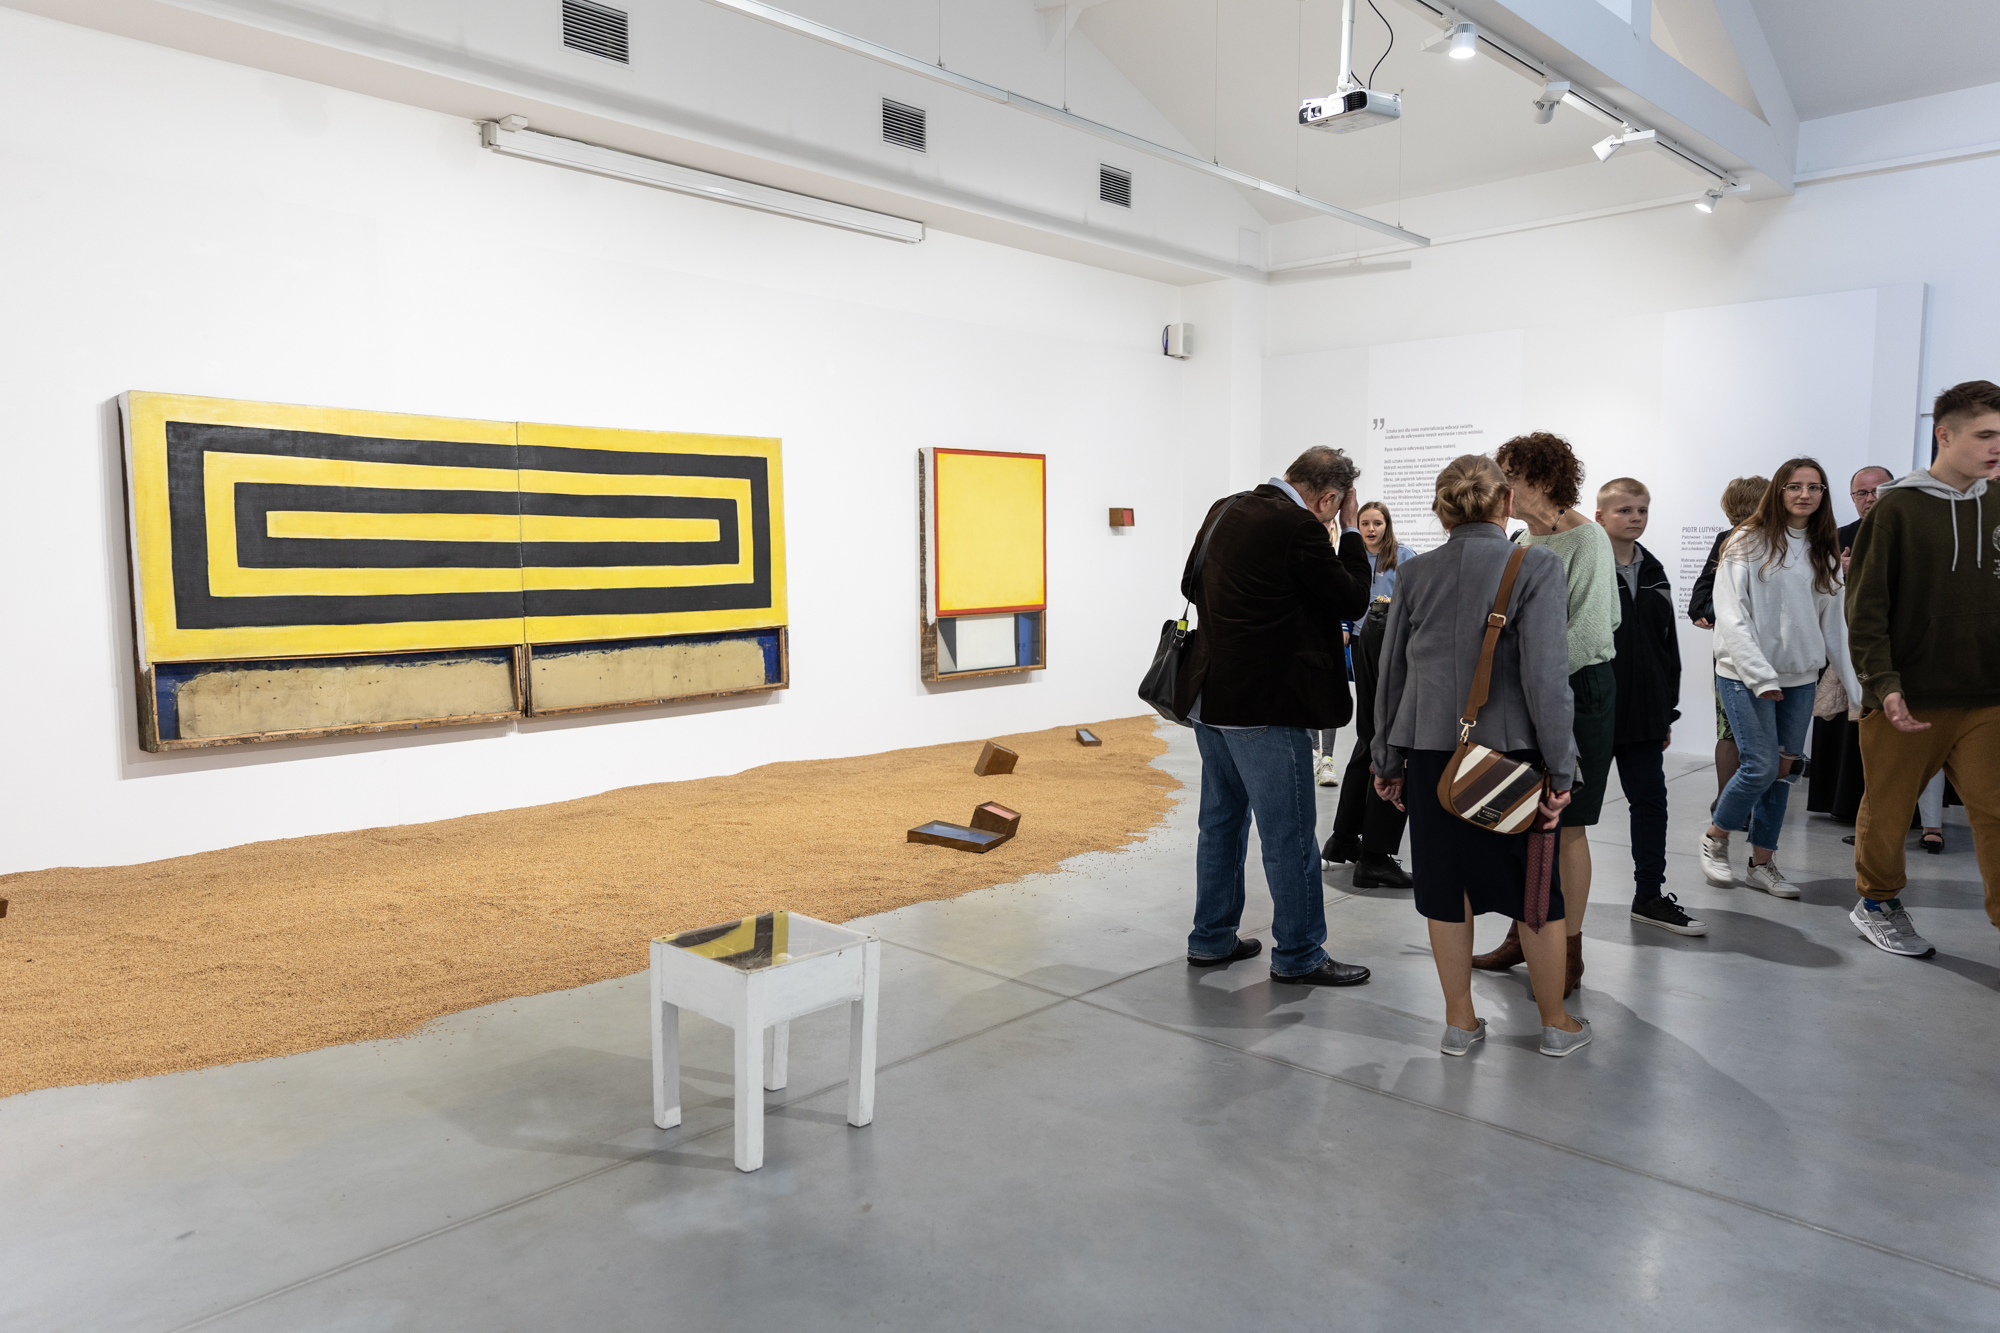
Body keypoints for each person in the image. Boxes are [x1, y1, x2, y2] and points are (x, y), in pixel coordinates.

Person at [1372, 455, 1588, 1057]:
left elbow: (1391, 675)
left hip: (1432, 757)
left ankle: (1460, 1024)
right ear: (1507, 503)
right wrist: (1562, 769)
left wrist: (1386, 759)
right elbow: (1547, 679)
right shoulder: (1535, 565)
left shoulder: (1415, 573)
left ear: (1442, 511)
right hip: (1511, 760)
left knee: (1445, 887)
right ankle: (1555, 1024)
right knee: (1535, 891)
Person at [1174, 446, 1375, 986]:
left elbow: (1191, 585)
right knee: (1289, 832)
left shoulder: (1225, 507)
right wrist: (1350, 533)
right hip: (1266, 704)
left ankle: (1211, 938)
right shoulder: (1298, 527)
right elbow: (1353, 599)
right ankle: (1300, 953)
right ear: (1328, 498)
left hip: (1209, 697)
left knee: (1221, 823)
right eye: (1337, 507)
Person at [1846, 380, 2000, 957]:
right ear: (1945, 435)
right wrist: (1882, 683)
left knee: (1997, 812)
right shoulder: (1896, 509)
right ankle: (1876, 901)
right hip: (1909, 696)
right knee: (1889, 812)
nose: (1996, 447)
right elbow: (1865, 609)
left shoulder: (1998, 500)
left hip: (1987, 693)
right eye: (1985, 435)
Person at [1473, 433, 1617, 997]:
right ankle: (1523, 935)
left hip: (1576, 691)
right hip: (1530, 692)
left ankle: (1568, 953)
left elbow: (1589, 632)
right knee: (1524, 818)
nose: (1501, 486)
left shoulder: (1588, 539)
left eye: (1509, 476)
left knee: (1569, 825)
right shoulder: (1520, 539)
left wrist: (1522, 677)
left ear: (1543, 478)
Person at [1698, 458, 1862, 897]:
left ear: (1823, 495)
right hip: (1743, 675)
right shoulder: (1746, 541)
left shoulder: (1823, 548)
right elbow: (1731, 615)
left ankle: (1762, 863)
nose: (1805, 494)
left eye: (1814, 487)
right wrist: (1759, 675)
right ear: (1779, 491)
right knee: (1760, 766)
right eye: (1795, 486)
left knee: (1784, 773)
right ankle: (1716, 836)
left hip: (1800, 678)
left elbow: (1834, 626)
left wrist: (1856, 689)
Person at [1595, 479, 1702, 935]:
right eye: (1624, 510)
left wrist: (1666, 710)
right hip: (1593, 711)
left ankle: (1649, 894)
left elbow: (1666, 646)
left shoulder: (1654, 569)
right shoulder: (1588, 567)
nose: (1635, 518)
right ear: (1600, 517)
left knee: (1651, 802)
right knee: (1568, 811)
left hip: (1643, 714)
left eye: (1641, 510)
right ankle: (1541, 906)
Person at [1808, 466, 1897, 825]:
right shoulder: (1836, 537)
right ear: (1852, 497)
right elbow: (1813, 591)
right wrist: (1837, 574)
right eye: (1862, 493)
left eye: (1878, 491)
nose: (1869, 498)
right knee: (1843, 726)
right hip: (1841, 645)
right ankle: (1841, 803)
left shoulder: (1907, 532)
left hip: (1891, 647)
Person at [1310, 502, 1415, 786]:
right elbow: (1340, 594)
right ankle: (1361, 759)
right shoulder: (1350, 559)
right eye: (1365, 523)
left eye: (1377, 523)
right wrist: (1344, 626)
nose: (1371, 529)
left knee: (1390, 701)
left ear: (1387, 525)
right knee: (1365, 704)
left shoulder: (1404, 556)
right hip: (1358, 639)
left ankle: (1392, 758)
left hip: (1391, 641)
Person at [1321, 586, 1411, 889]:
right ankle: (1375, 856)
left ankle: (1344, 838)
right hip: (1401, 626)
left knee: (1371, 737)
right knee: (1397, 739)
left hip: (1375, 621)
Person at [1689, 475, 1769, 808]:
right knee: (1736, 728)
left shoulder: (1766, 539)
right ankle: (1731, 800)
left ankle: (1732, 800)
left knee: (1735, 728)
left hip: (1743, 647)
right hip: (1742, 648)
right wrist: (1704, 611)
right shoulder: (1730, 539)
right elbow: (1701, 595)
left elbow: (1701, 594)